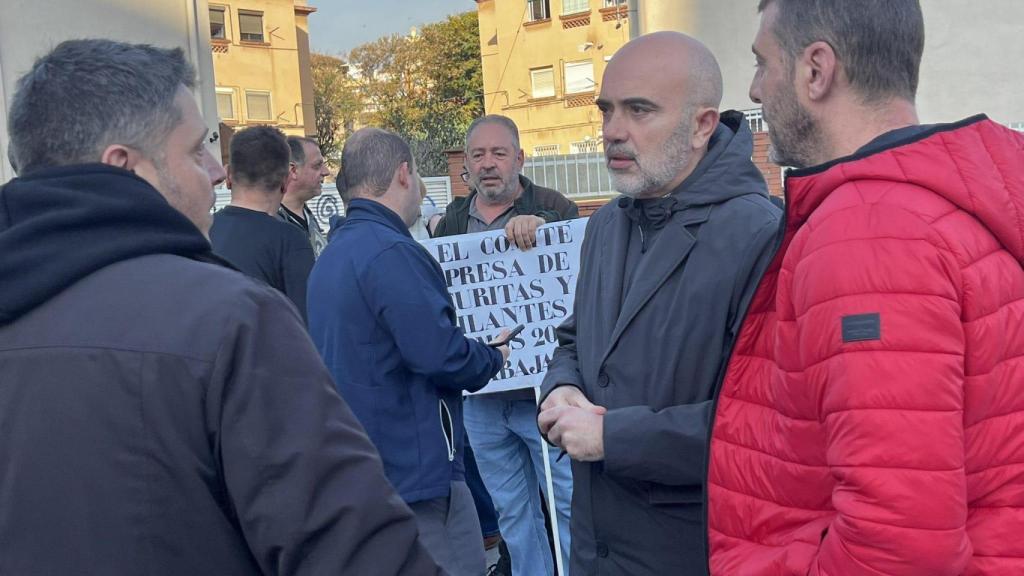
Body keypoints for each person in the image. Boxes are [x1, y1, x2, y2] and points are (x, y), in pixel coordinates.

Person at [0, 39, 441, 575]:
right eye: (193, 150)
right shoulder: (229, 318)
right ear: (123, 168)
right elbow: (357, 554)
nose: (214, 171)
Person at [707, 1, 1024, 574]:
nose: (754, 91)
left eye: (762, 63)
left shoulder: (869, 228)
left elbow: (899, 546)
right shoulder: (949, 199)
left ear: (816, 70)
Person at [537, 32, 780, 575]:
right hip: (593, 549)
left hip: (691, 553)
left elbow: (768, 429)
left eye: (639, 110)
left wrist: (612, 438)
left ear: (702, 125)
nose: (612, 132)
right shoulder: (603, 225)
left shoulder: (758, 235)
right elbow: (575, 341)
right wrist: (562, 388)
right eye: (606, 110)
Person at [307, 127, 512, 576]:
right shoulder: (392, 251)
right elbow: (440, 354)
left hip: (369, 461)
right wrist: (492, 357)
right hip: (417, 467)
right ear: (404, 174)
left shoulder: (333, 254)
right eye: (418, 175)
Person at [434, 114, 578, 576]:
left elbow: (575, 272)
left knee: (570, 506)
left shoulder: (555, 204)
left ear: (520, 157)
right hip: (482, 399)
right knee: (514, 514)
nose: (488, 164)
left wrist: (547, 225)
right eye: (478, 155)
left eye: (499, 153)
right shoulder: (452, 221)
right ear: (467, 166)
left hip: (544, 393)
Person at [210, 126, 314, 321]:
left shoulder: (203, 232)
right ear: (285, 180)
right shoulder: (290, 241)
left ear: (229, 176)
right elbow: (304, 326)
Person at [280, 136, 330, 257]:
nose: (326, 172)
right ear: (293, 171)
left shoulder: (309, 218)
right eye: (317, 166)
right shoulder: (273, 224)